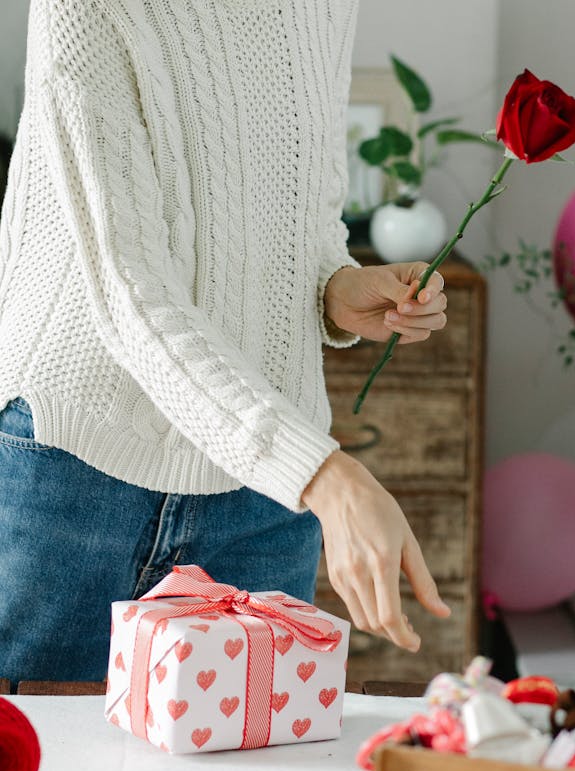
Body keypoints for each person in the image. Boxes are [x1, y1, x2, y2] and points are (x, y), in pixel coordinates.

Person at [0, 0, 450, 687]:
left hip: (260, 494)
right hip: (77, 470)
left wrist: (335, 285)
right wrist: (322, 475)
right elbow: (130, 293)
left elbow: (306, 205)